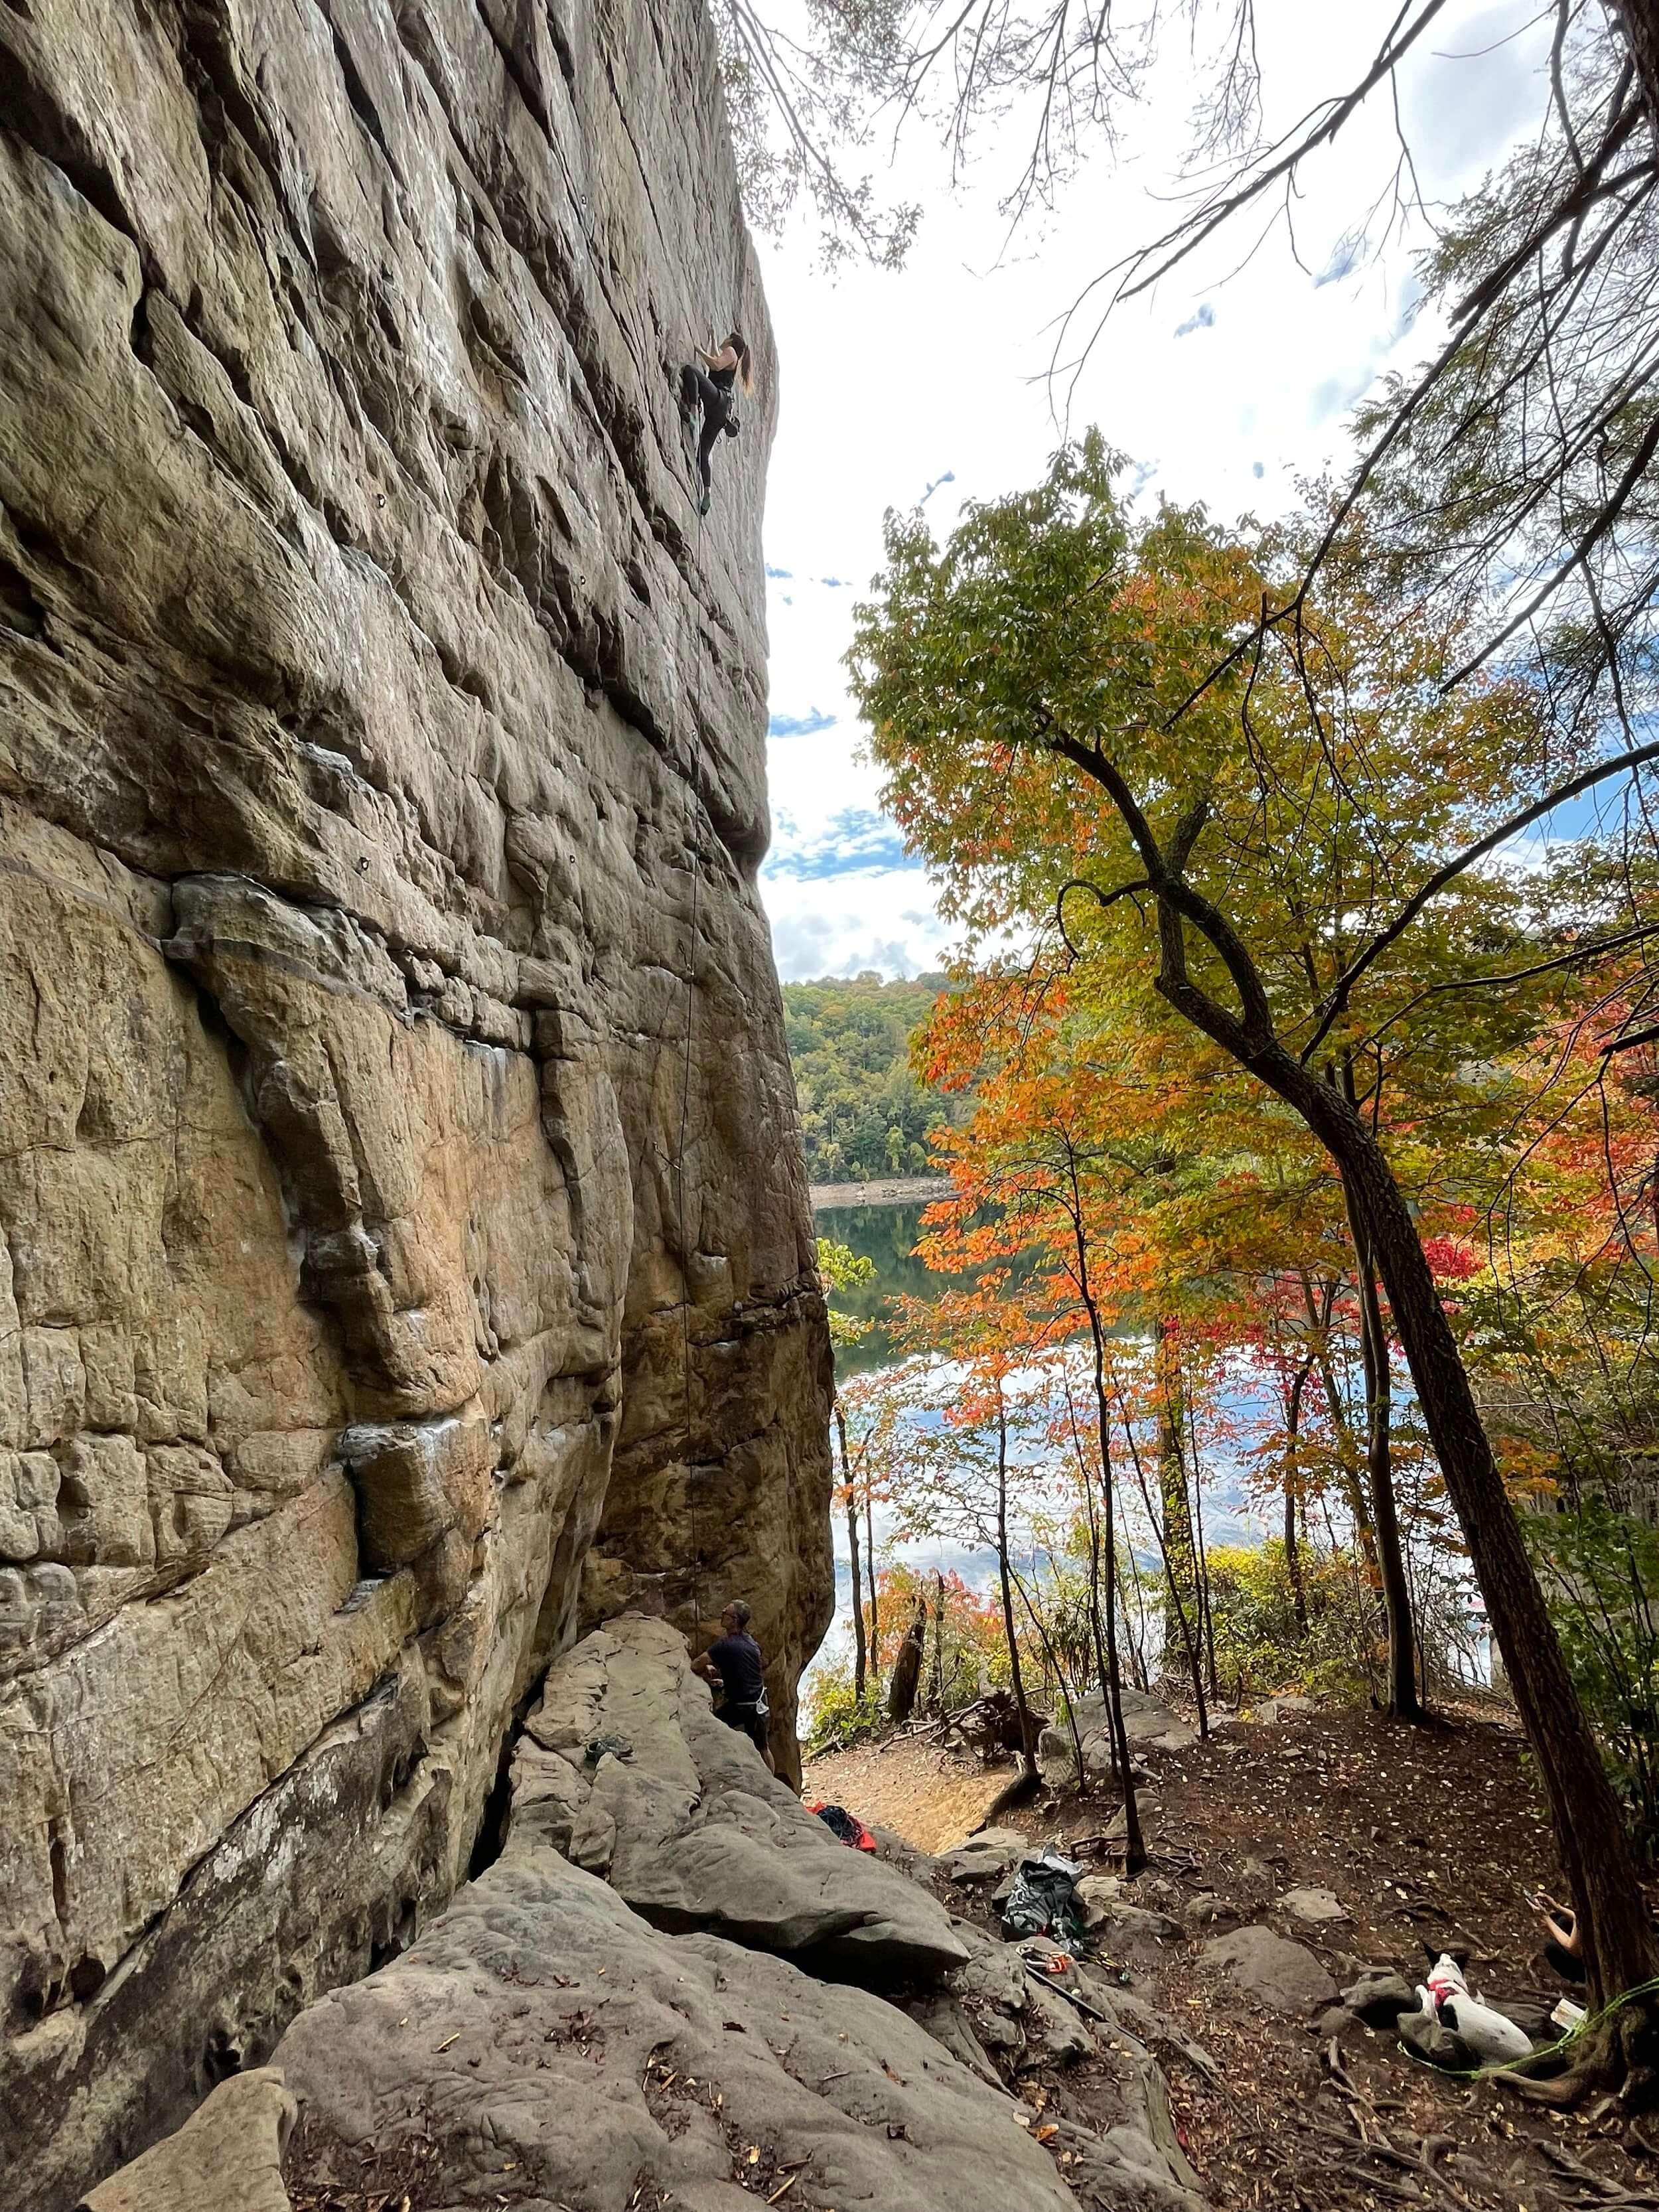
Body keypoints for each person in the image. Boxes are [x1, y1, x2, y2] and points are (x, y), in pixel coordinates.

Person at [692, 1598, 774, 1771]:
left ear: (734, 1620)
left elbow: (696, 1665)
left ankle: (713, 1767)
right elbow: (747, 1672)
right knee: (763, 1747)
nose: (722, 1614)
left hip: (741, 1706)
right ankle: (772, 1782)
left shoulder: (725, 1645)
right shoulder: (752, 1643)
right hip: (760, 1702)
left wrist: (707, 1666)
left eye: (725, 1613)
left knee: (712, 1727)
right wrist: (726, 1682)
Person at [684, 331, 753, 516]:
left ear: (730, 340)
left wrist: (698, 350)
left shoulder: (731, 352)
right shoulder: (731, 356)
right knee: (703, 454)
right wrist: (713, 340)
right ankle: (707, 494)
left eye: (724, 339)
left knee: (691, 372)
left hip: (718, 400)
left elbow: (715, 363)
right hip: (720, 412)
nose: (723, 341)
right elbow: (717, 364)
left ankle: (693, 414)